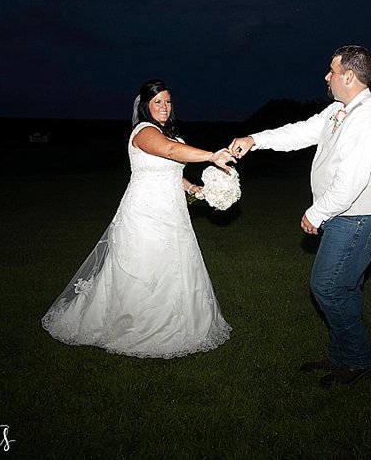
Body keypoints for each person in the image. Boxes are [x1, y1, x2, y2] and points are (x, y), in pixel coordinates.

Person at [229, 45, 371, 387]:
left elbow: (350, 183)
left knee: (327, 287)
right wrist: (255, 139)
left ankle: (361, 360)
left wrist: (316, 213)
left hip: (360, 216)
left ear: (348, 76)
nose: (326, 76)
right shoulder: (340, 109)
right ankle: (341, 357)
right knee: (345, 287)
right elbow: (300, 132)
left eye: (331, 71)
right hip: (347, 213)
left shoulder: (367, 118)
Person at [42, 78, 235, 358]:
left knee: (174, 267)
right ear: (145, 105)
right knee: (145, 267)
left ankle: (179, 325)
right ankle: (134, 327)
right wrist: (212, 156)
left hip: (172, 213)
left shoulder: (169, 134)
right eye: (157, 102)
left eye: (168, 101)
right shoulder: (144, 132)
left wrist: (193, 188)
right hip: (145, 214)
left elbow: (170, 168)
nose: (164, 107)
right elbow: (169, 151)